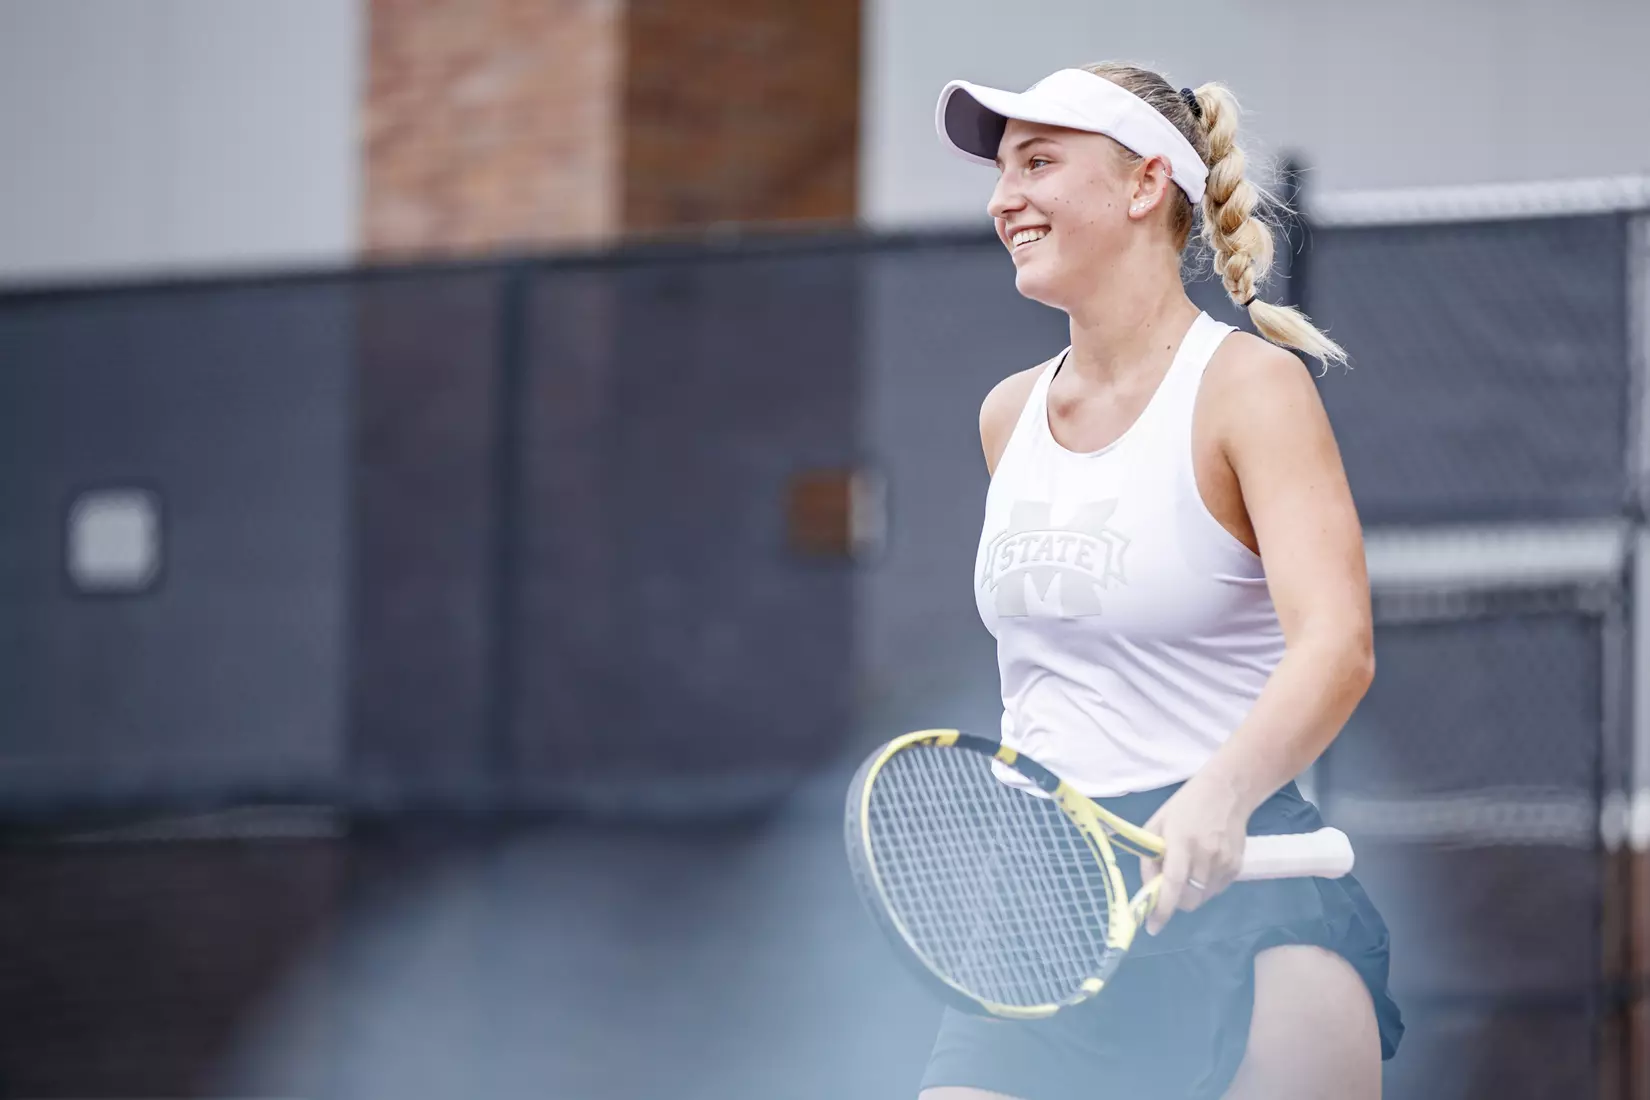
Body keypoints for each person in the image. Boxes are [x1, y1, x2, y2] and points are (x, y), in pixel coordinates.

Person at [921, 63, 1404, 1099]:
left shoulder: (1251, 388)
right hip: (1039, 905)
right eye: (1002, 171)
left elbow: (1338, 645)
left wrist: (1217, 797)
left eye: (1038, 163)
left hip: (1245, 897)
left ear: (1146, 183)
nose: (1005, 198)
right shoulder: (1007, 415)